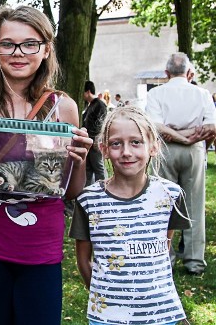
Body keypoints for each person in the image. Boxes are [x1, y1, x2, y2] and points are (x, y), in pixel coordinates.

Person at [0, 5, 92, 325]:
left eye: (30, 43)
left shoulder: (64, 108)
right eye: (7, 44)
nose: (18, 53)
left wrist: (80, 161)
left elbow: (70, 192)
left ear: (45, 49)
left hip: (41, 247)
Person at [69, 106, 190, 325]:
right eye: (116, 143)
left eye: (136, 142)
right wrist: (105, 296)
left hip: (161, 313)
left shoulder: (170, 195)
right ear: (104, 149)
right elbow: (83, 260)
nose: (126, 152)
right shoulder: (89, 200)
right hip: (107, 317)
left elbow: (164, 246)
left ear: (153, 146)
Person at [145, 52, 216, 275]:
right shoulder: (202, 94)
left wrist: (176, 134)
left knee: (162, 203)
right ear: (189, 73)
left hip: (165, 149)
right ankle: (194, 261)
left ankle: (165, 256)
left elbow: (154, 126)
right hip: (194, 150)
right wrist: (188, 137)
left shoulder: (156, 93)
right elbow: (211, 127)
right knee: (195, 204)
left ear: (166, 73)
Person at [83, 80, 107, 186]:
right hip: (88, 141)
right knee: (88, 168)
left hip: (95, 141)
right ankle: (88, 189)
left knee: (98, 167)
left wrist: (98, 140)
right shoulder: (90, 105)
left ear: (88, 91)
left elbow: (102, 123)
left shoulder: (100, 105)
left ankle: (102, 188)